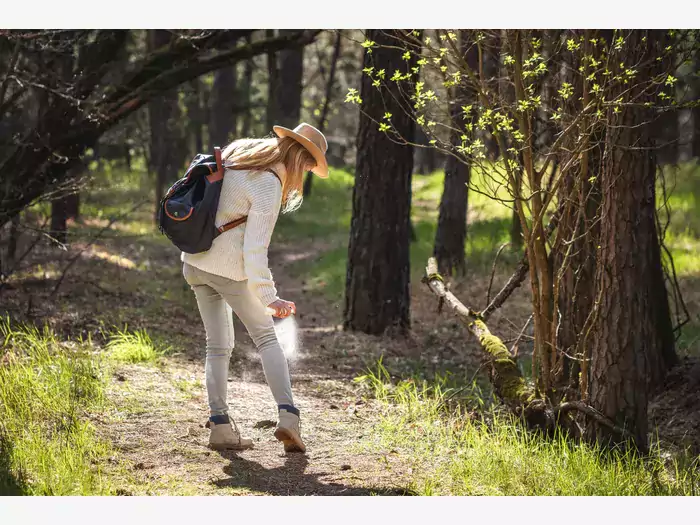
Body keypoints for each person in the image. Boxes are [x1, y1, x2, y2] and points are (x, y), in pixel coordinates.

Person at [181, 123, 329, 453]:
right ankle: (289, 417)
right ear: (302, 159)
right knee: (266, 338)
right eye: (307, 167)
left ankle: (219, 425)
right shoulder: (268, 183)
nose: (303, 175)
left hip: (194, 262)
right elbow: (254, 250)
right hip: (228, 270)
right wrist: (269, 296)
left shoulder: (240, 151)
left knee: (217, 346)